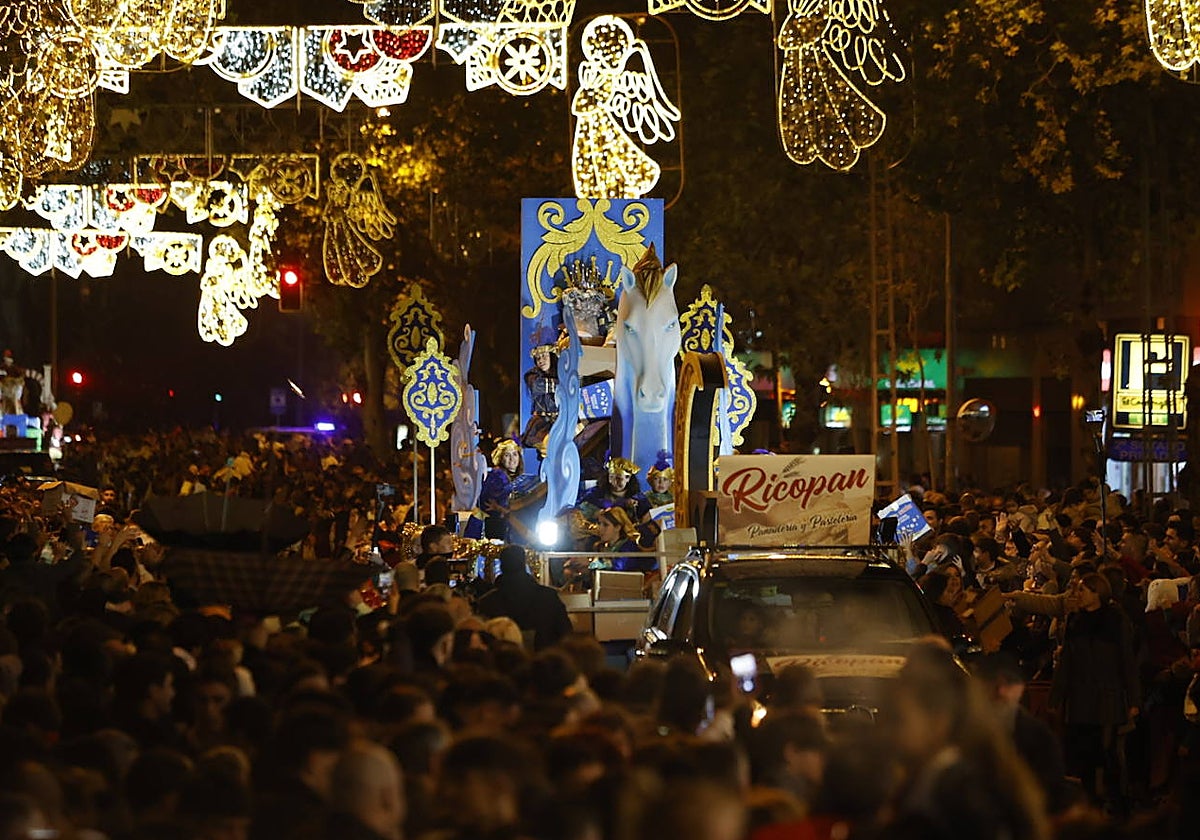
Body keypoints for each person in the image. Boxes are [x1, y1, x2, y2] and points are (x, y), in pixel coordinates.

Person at [477, 545, 571, 651]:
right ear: (524, 564)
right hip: (544, 663)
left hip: (503, 664)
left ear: (502, 567)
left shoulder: (488, 602)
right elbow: (566, 633)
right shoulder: (549, 597)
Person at [579, 457, 649, 523]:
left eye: (619, 478)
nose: (614, 482)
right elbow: (581, 506)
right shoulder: (597, 492)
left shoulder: (638, 498)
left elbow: (648, 516)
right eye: (611, 477)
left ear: (628, 478)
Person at [478, 440, 523, 541]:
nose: (512, 459)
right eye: (507, 455)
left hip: (512, 526)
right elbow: (491, 504)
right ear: (500, 458)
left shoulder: (518, 477)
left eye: (515, 454)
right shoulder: (497, 476)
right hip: (498, 527)